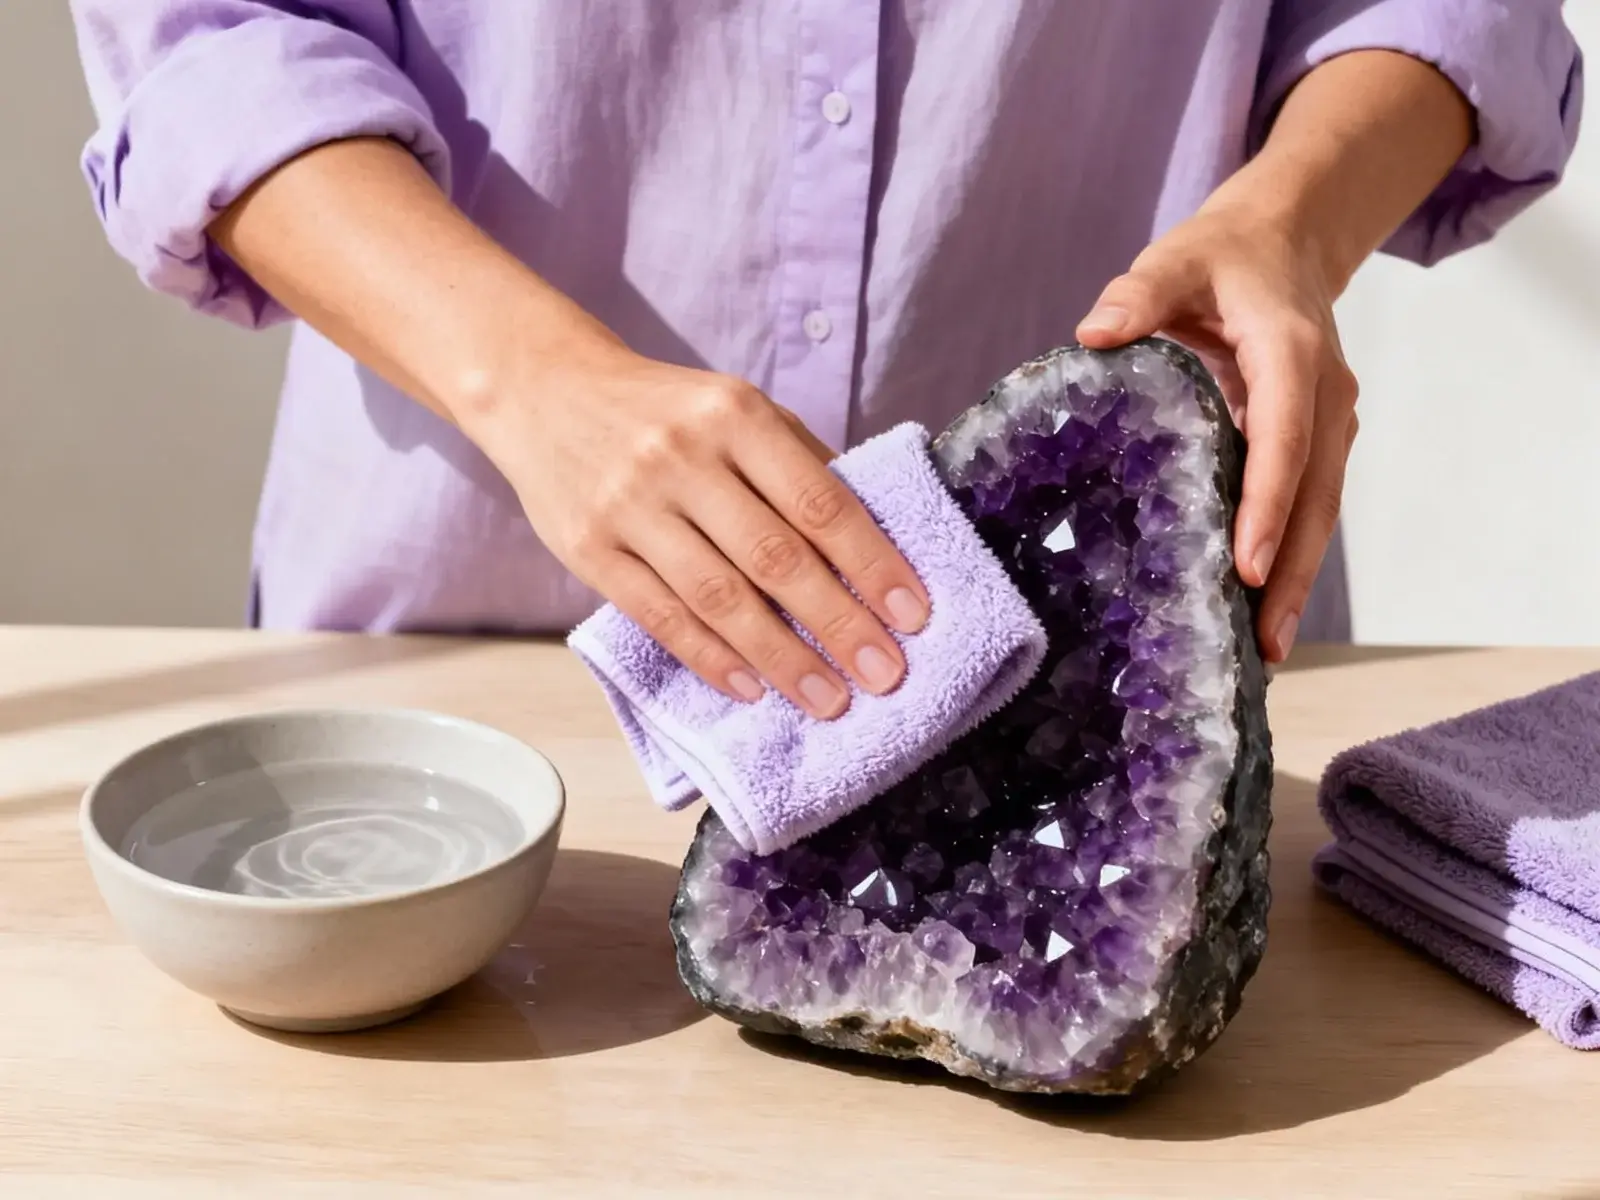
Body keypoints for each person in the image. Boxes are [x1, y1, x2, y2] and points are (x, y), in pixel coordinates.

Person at [71, 3, 1581, 720]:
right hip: (458, 645)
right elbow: (210, 40)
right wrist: (526, 378)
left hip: (1117, 663)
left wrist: (1295, 221)